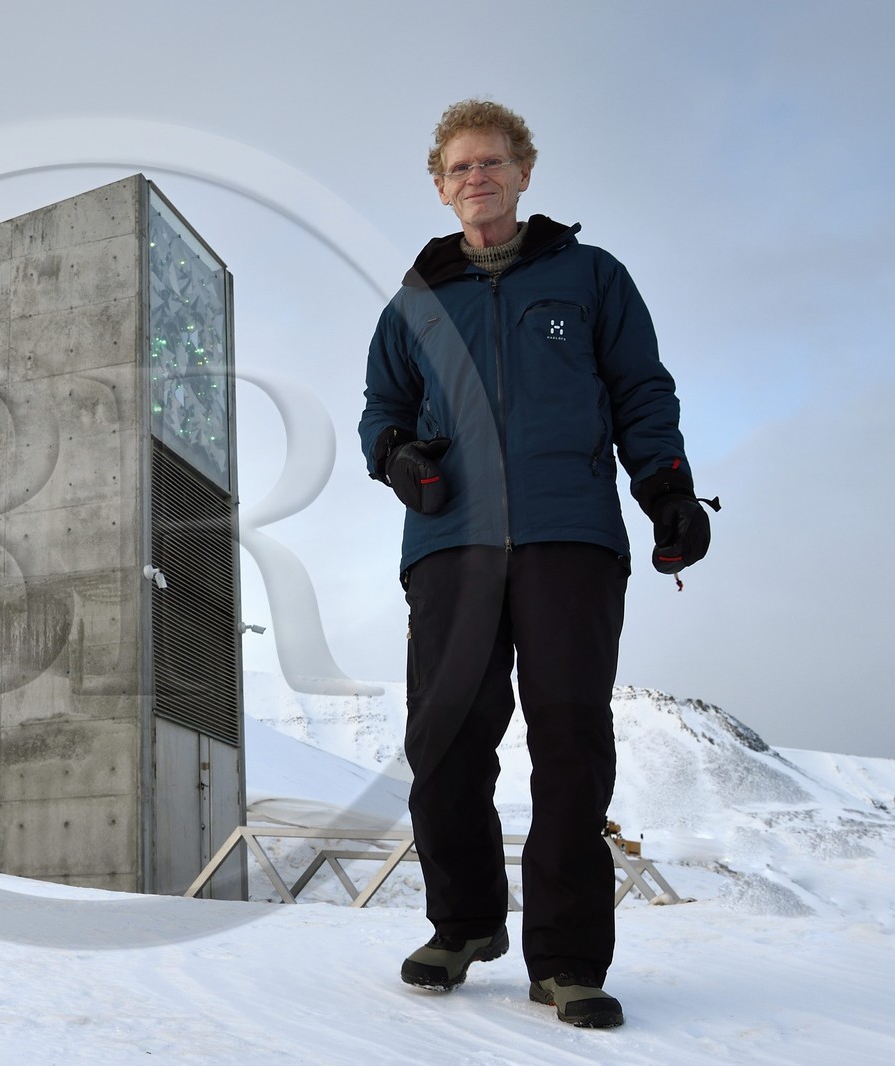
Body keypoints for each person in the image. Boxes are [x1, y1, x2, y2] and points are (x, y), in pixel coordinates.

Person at [358, 99, 712, 1029]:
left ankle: (566, 962)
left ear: (524, 173)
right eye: (461, 167)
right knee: (445, 746)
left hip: (570, 541)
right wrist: (398, 459)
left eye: (495, 162)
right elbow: (379, 410)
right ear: (440, 186)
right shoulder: (415, 302)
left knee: (568, 744)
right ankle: (464, 924)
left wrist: (668, 490)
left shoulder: (592, 277)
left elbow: (641, 389)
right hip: (451, 547)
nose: (478, 177)